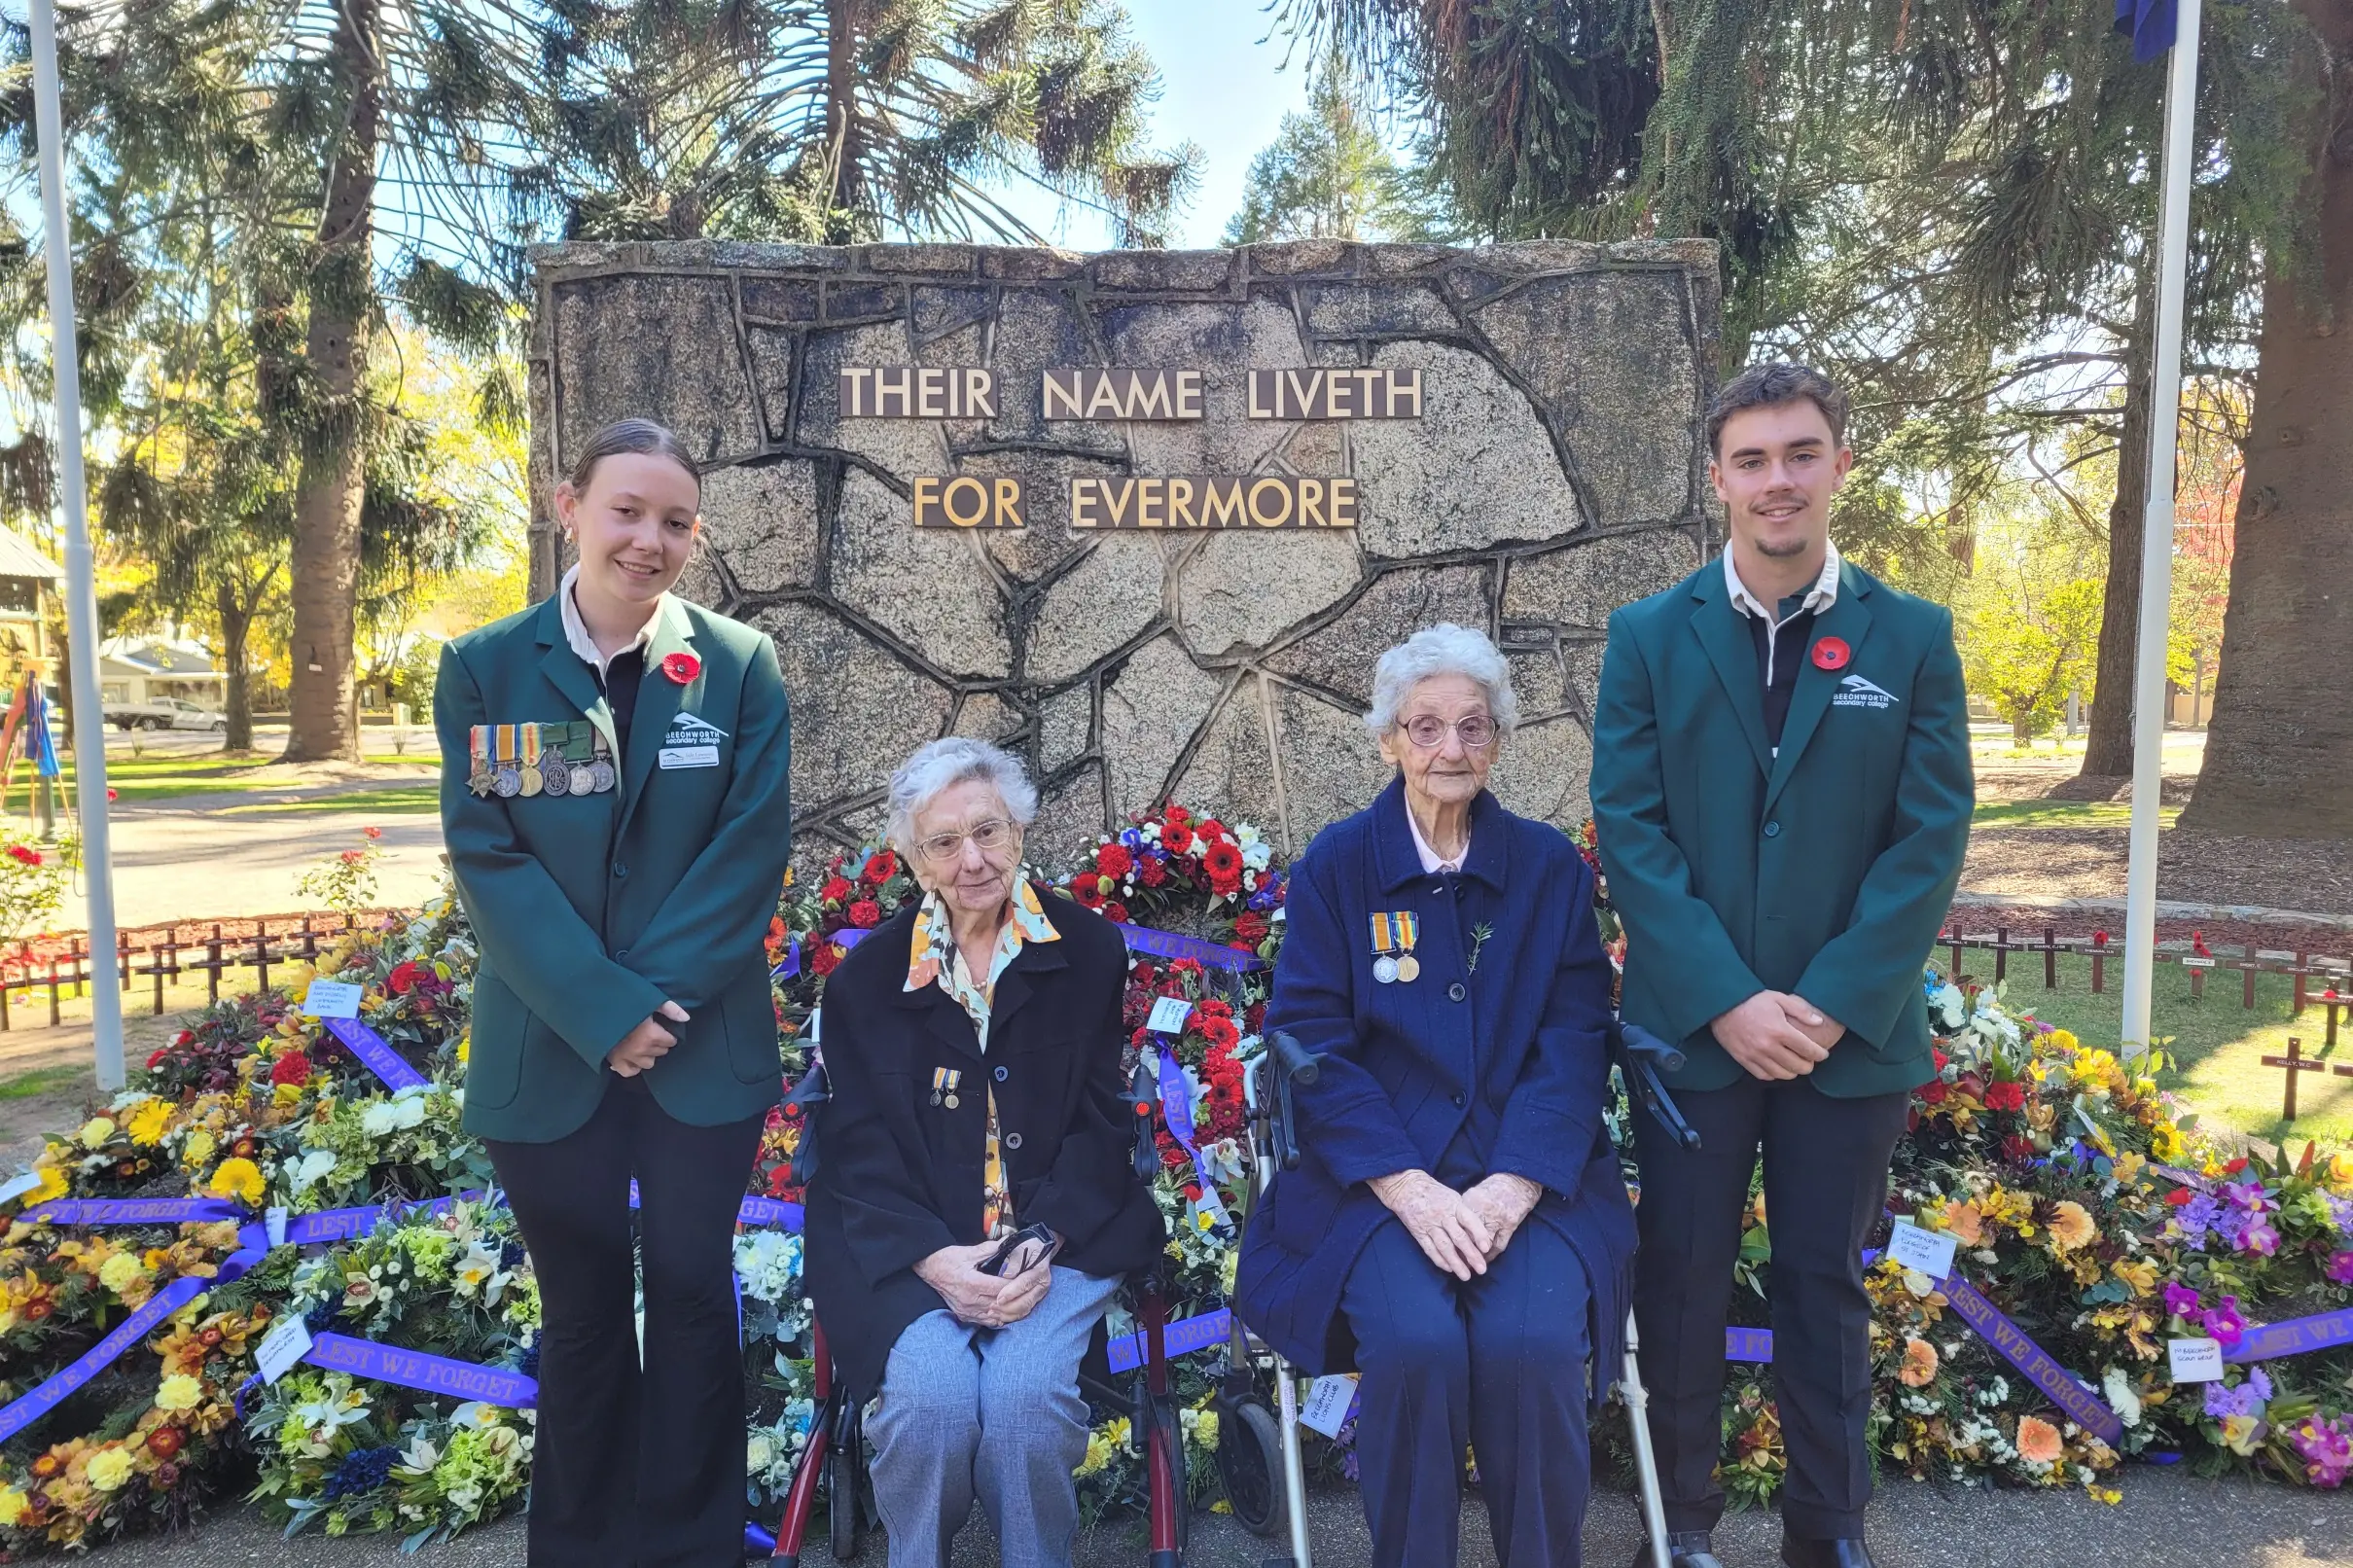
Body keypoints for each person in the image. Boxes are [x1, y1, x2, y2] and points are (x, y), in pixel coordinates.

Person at [1591, 364, 1973, 1568]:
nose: (1776, 481)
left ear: (1839, 466)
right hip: (1694, 1034)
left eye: (1799, 454)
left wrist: (1823, 1002)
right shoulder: (1648, 637)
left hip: (1844, 1041)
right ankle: (1684, 1524)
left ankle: (1828, 1526)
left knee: (1823, 1282)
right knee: (1686, 1278)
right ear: (1716, 480)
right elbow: (1631, 829)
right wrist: (1727, 1000)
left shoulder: (1909, 639)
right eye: (1750, 460)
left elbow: (1929, 839)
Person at [435, 417, 794, 1568]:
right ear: (567, 507)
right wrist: (601, 1012)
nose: (649, 539)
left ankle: (694, 1547)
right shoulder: (485, 667)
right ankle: (582, 1547)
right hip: (547, 1056)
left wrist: (652, 1011)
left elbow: (747, 853)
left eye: (675, 521)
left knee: (693, 1297)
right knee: (583, 1315)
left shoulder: (738, 666)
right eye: (627, 510)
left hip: (701, 1053)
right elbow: (489, 862)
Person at [1234, 624, 1636, 1568]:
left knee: (1532, 1345)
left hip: (1527, 1181)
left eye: (1471, 726)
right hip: (1373, 1186)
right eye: (1425, 728)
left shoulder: (1545, 868)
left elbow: (1576, 1036)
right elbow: (1311, 1044)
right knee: (1414, 1345)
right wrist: (1406, 1185)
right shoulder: (1338, 866)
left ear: (1495, 739)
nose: (1449, 749)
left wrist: (1514, 1184)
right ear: (1388, 741)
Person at [803, 737, 1163, 1568]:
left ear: (1020, 830)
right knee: (927, 1405)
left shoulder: (1086, 950)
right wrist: (938, 1262)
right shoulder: (865, 980)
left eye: (989, 831)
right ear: (913, 861)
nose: (972, 859)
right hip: (908, 1249)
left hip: (1054, 1240)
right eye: (944, 842)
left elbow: (1104, 1123)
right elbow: (855, 1149)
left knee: (1023, 1402)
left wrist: (1040, 1242)